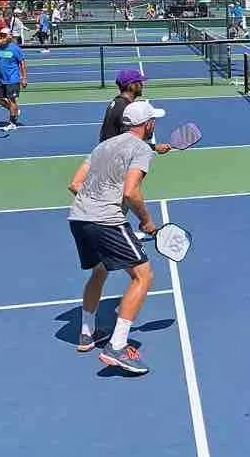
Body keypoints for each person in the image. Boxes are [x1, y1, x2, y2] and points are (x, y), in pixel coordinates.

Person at [67, 100, 166, 374]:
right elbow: (131, 192)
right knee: (143, 276)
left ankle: (87, 334)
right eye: (153, 121)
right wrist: (146, 221)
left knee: (99, 271)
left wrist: (95, 202)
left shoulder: (102, 146)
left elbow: (74, 184)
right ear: (148, 124)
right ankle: (118, 347)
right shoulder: (141, 149)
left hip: (78, 218)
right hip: (106, 220)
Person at [100, 69, 172, 153]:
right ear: (131, 86)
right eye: (139, 82)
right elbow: (128, 142)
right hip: (114, 157)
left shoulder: (117, 102)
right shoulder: (126, 109)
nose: (142, 85)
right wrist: (154, 146)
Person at [0, 28, 26, 131]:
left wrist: (24, 78)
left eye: (4, 36)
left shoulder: (15, 49)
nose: (1, 38)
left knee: (12, 100)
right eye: (0, 35)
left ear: (8, 37)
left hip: (13, 79)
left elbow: (22, 64)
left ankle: (13, 122)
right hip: (1, 79)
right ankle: (14, 110)